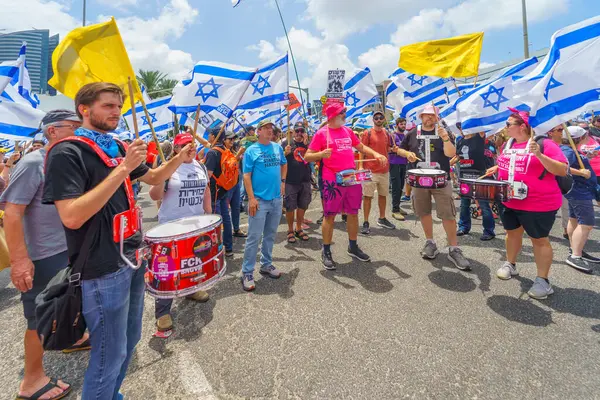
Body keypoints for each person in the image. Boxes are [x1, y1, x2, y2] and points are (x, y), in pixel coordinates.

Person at [42, 82, 196, 398]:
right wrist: (123, 168)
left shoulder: (116, 146)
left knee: (130, 339)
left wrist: (179, 158)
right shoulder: (67, 152)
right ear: (84, 109)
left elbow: (154, 177)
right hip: (101, 268)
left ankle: (111, 394)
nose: (117, 112)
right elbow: (71, 216)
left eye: (119, 106)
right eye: (109, 105)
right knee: (107, 356)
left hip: (132, 257)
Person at [4, 110, 89, 400]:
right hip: (42, 254)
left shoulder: (66, 161)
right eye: (74, 127)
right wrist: (19, 260)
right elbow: (13, 214)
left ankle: (70, 337)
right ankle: (31, 382)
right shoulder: (32, 163)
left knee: (68, 301)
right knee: (39, 317)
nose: (81, 133)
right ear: (52, 131)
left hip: (67, 248)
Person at [486, 109, 567, 299]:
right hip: (509, 199)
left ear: (522, 126)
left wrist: (539, 155)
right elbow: (514, 161)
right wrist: (498, 166)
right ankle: (511, 264)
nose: (505, 127)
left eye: (508, 124)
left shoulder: (544, 144)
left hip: (538, 203)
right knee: (512, 233)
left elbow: (562, 170)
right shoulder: (508, 143)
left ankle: (543, 281)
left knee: (539, 240)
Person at [304, 100, 387, 270]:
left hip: (351, 177)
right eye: (342, 112)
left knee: (353, 212)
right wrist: (321, 154)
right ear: (333, 115)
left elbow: (361, 146)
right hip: (332, 179)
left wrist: (376, 154)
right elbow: (307, 156)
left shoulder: (348, 131)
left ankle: (353, 246)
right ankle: (326, 251)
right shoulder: (321, 133)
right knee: (330, 215)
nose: (344, 115)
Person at [149, 132, 212, 333]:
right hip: (171, 226)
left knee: (194, 261)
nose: (191, 148)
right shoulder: (169, 167)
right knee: (167, 270)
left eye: (192, 144)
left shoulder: (200, 165)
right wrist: (161, 175)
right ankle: (163, 312)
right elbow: (154, 195)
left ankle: (191, 290)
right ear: (176, 149)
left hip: (195, 224)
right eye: (185, 145)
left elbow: (206, 190)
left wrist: (209, 216)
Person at [394, 105, 471, 270]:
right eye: (425, 116)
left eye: (432, 116)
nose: (428, 118)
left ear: (436, 117)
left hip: (441, 179)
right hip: (419, 179)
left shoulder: (444, 131)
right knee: (424, 211)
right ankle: (430, 242)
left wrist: (445, 138)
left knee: (448, 213)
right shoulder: (413, 132)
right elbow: (399, 149)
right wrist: (406, 154)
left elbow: (451, 154)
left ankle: (454, 248)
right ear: (421, 117)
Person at [240, 120, 287, 291]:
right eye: (266, 128)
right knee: (254, 237)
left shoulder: (277, 147)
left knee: (270, 234)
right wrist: (251, 198)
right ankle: (247, 271)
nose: (269, 131)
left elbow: (284, 163)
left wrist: (283, 181)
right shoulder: (251, 151)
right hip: (259, 201)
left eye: (271, 128)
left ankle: (266, 264)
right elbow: (246, 176)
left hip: (276, 200)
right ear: (258, 131)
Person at [548, 125, 600, 272]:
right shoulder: (568, 151)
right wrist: (582, 173)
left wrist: (585, 158)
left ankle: (576, 249)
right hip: (579, 192)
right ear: (579, 138)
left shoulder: (569, 150)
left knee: (574, 219)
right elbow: (562, 167)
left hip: (577, 191)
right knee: (586, 223)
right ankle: (575, 256)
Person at [454, 132, 496, 241]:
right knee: (464, 204)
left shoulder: (478, 137)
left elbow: (481, 128)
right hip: (465, 176)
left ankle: (489, 231)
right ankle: (463, 227)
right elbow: (458, 157)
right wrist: (445, 165)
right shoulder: (460, 141)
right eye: (461, 127)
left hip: (479, 176)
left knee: (484, 205)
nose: (463, 129)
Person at [205, 129, 240, 258]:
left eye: (209, 134)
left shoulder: (213, 152)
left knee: (215, 222)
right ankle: (229, 248)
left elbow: (208, 175)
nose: (208, 136)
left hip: (214, 192)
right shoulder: (225, 150)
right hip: (225, 189)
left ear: (214, 136)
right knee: (226, 219)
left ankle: (217, 250)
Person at [360, 110, 396, 234]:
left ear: (383, 119)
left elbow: (388, 148)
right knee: (368, 197)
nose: (379, 119)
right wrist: (360, 166)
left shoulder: (387, 132)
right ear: (373, 120)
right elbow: (361, 149)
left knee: (383, 195)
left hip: (384, 170)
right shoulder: (367, 133)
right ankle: (365, 221)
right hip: (370, 170)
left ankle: (382, 218)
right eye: (376, 118)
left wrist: (394, 148)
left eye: (381, 117)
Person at [282, 122, 312, 243]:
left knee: (303, 205)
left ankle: (298, 228)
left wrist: (308, 145)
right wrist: (285, 153)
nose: (299, 133)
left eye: (302, 131)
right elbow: (279, 160)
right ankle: (290, 230)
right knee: (290, 206)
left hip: (305, 180)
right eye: (297, 131)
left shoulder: (309, 144)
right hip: (291, 180)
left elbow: (314, 157)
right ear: (293, 132)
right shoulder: (286, 143)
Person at [389, 117, 408, 221]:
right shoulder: (392, 135)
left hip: (403, 163)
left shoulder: (405, 136)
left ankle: (398, 206)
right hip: (394, 163)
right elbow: (386, 148)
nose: (403, 126)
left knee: (401, 186)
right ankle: (395, 210)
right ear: (397, 125)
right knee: (395, 186)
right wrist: (392, 149)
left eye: (404, 124)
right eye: (401, 124)